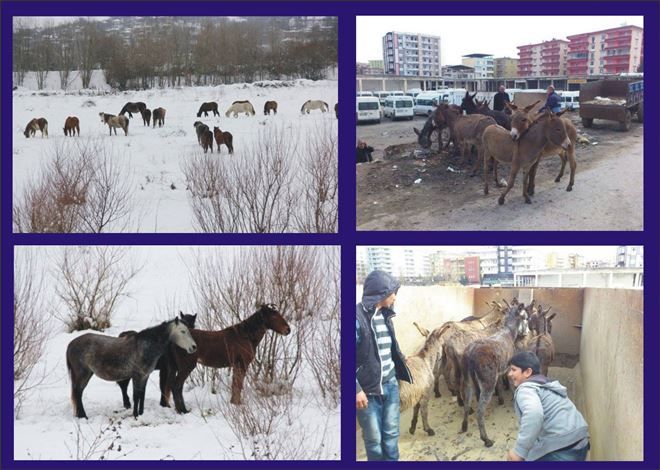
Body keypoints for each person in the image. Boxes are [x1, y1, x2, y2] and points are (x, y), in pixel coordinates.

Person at [356, 270, 412, 461]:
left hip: (390, 385)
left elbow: (387, 347)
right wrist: (355, 389)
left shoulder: (385, 315)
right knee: (374, 441)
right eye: (392, 292)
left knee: (391, 437)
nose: (395, 296)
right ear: (380, 294)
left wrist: (402, 360)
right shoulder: (356, 318)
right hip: (368, 393)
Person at [506, 351, 590, 462]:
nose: (509, 374)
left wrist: (519, 451)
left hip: (563, 447)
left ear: (527, 372)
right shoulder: (546, 386)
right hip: (581, 441)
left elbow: (534, 414)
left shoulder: (526, 389)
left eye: (513, 370)